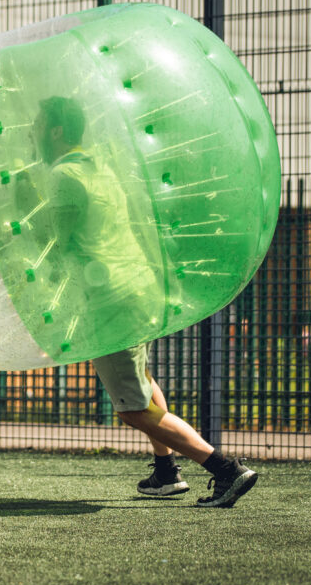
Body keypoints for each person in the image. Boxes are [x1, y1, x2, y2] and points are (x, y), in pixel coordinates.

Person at [29, 96, 257, 508]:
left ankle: (225, 469)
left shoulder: (63, 175)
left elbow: (55, 246)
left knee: (134, 410)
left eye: (39, 123)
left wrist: (27, 221)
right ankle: (166, 473)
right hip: (135, 287)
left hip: (108, 300)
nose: (32, 131)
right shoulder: (100, 169)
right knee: (146, 384)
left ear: (57, 131)